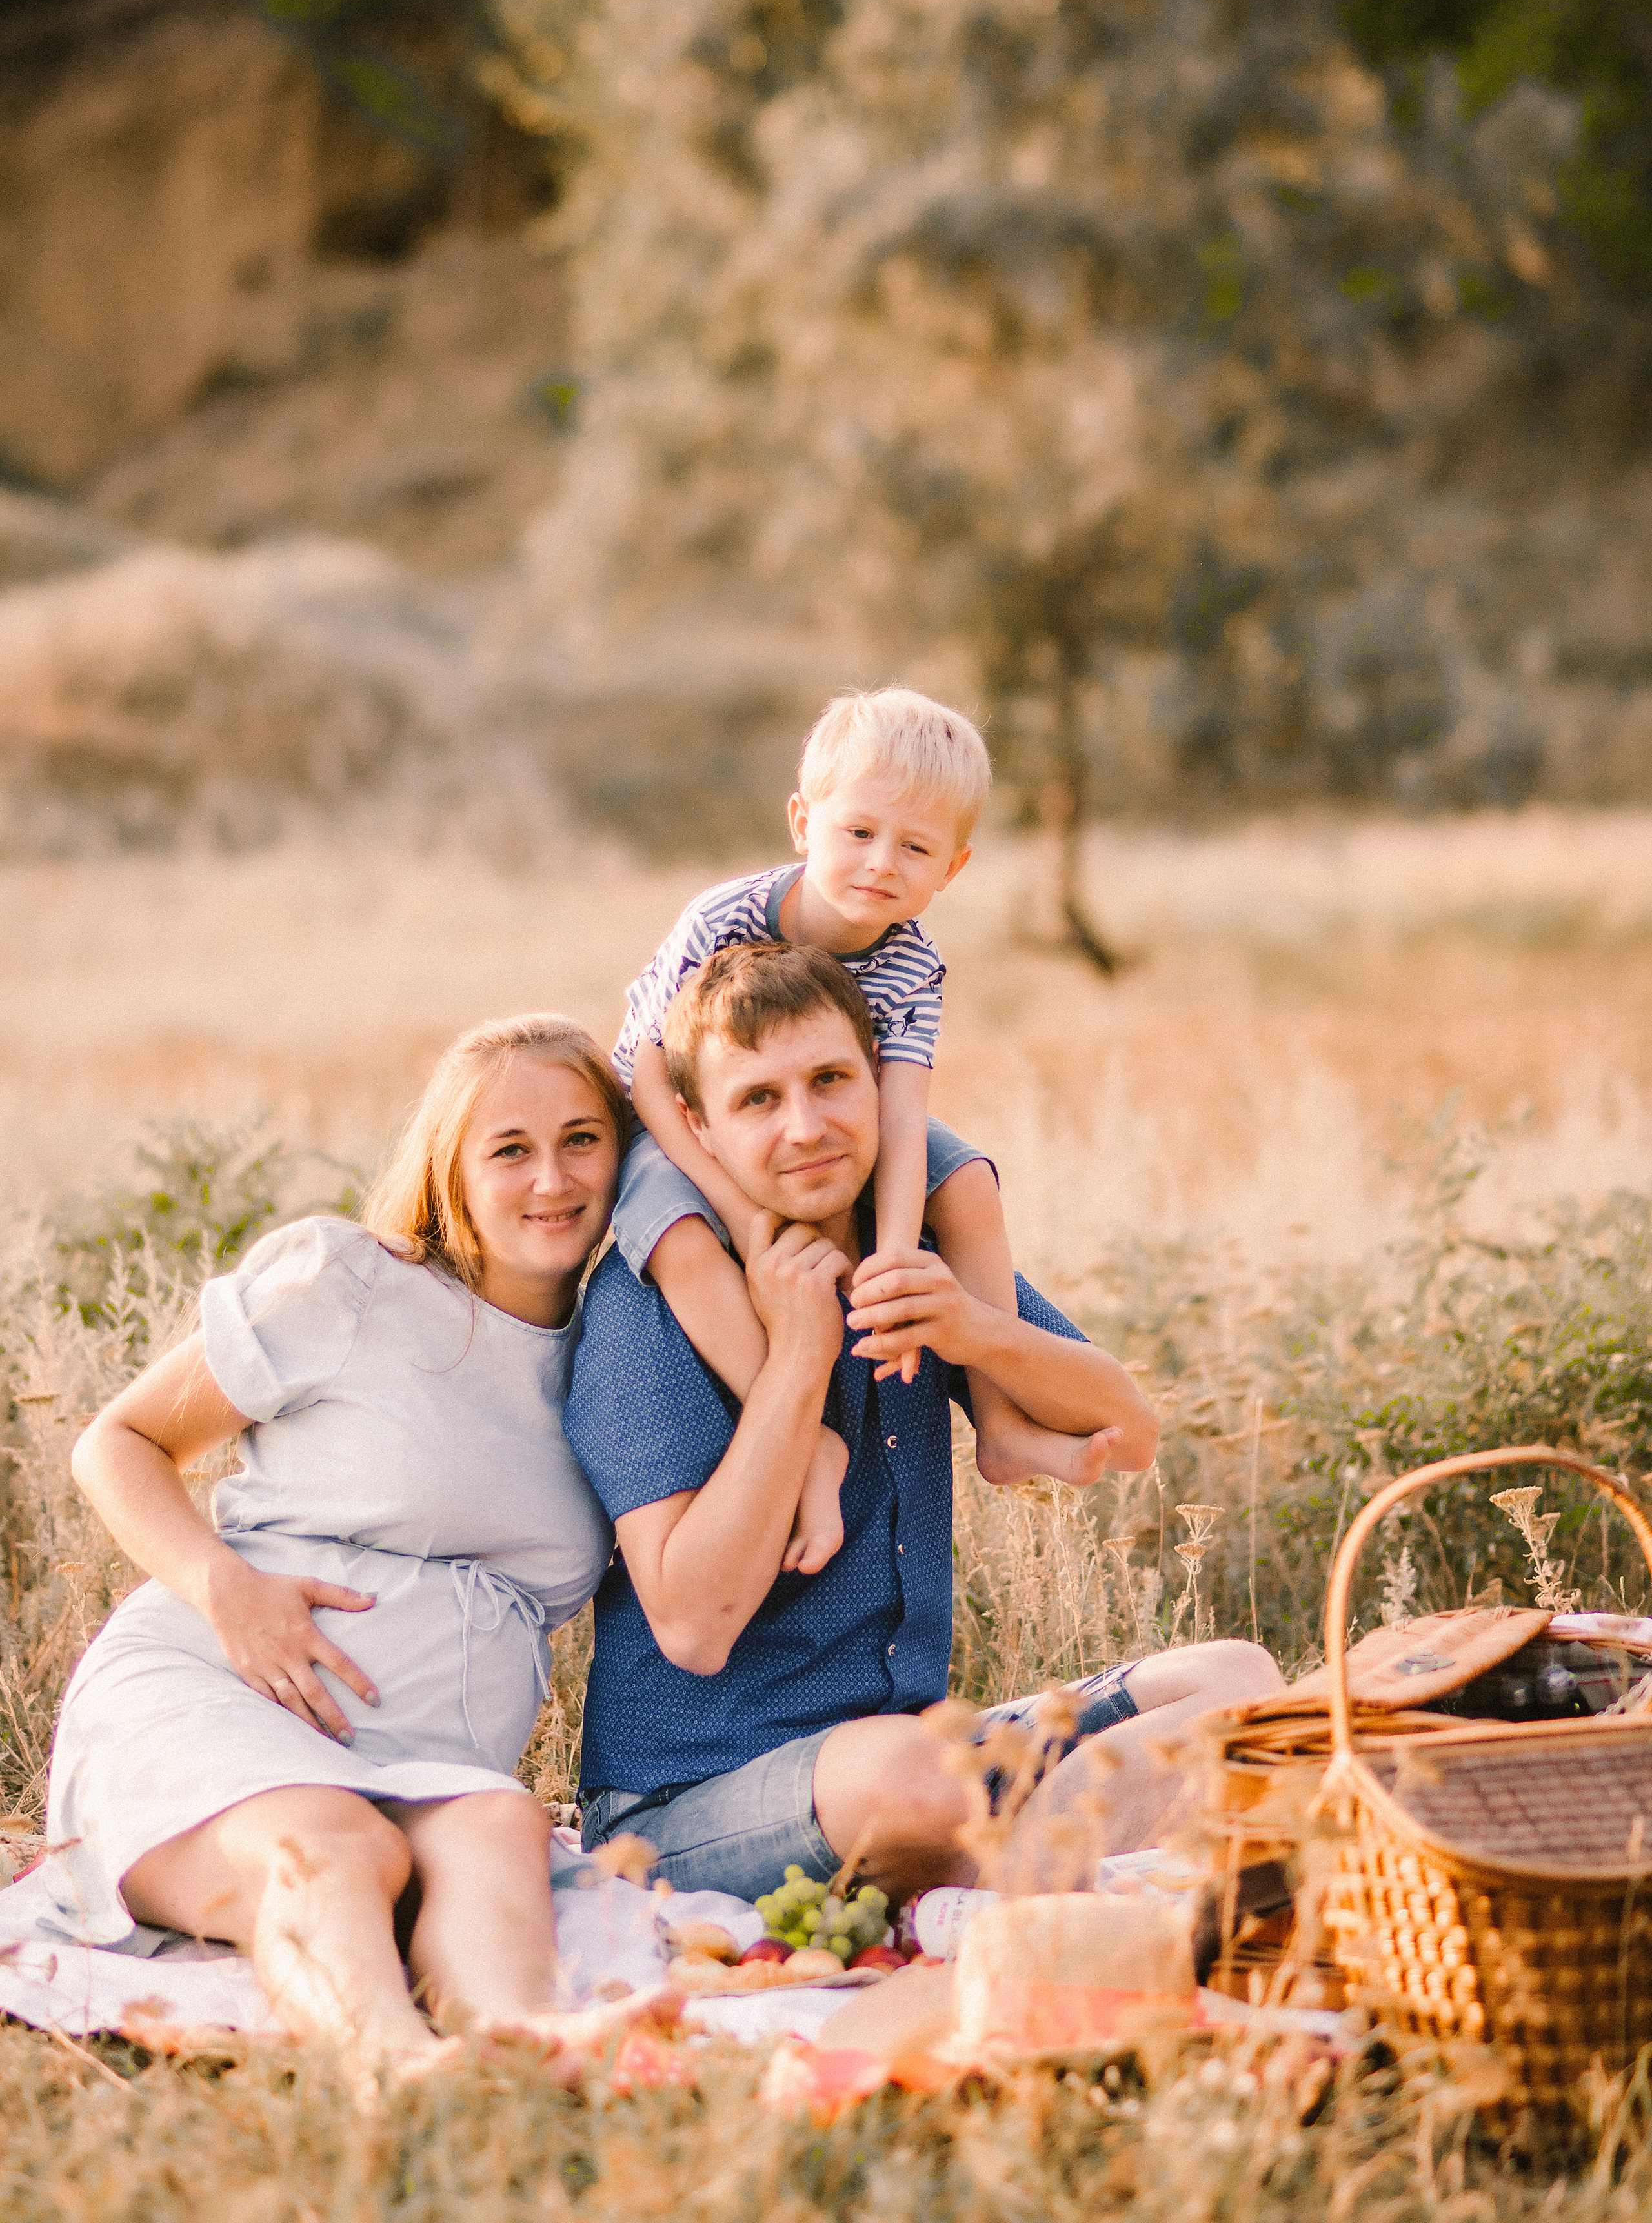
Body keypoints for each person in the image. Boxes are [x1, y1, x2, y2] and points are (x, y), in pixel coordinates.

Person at [563, 941, 1283, 1903]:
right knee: (913, 1778)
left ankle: (1018, 1864)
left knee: (1235, 1680)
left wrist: (973, 1328)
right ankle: (1056, 1863)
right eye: (759, 1099)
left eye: (830, 1080)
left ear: (879, 1079)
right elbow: (693, 1627)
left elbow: (1131, 1433)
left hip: (917, 1757)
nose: (806, 1127)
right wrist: (800, 1356)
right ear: (698, 1126)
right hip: (692, 1801)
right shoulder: (653, 1302)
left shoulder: (906, 1250)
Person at [46, 1014, 674, 2080]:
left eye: (582, 1139)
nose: (552, 1179)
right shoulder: (352, 1283)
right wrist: (225, 1588)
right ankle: (391, 2065)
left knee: (497, 1830)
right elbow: (118, 1442)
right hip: (217, 1694)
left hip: (427, 1759)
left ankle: (520, 2043)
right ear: (452, 1171)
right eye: (510, 1149)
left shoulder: (623, 1348)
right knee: (341, 1847)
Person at [610, 685, 1119, 1579]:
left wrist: (891, 1268)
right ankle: (803, 1438)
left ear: (952, 868)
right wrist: (745, 1213)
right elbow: (650, 1075)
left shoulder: (913, 965)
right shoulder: (724, 919)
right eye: (859, 832)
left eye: (915, 847)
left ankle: (1002, 1425)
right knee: (682, 1239)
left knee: (967, 1181)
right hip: (687, 1118)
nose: (882, 863)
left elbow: (902, 1114)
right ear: (803, 823)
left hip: (837, 1106)